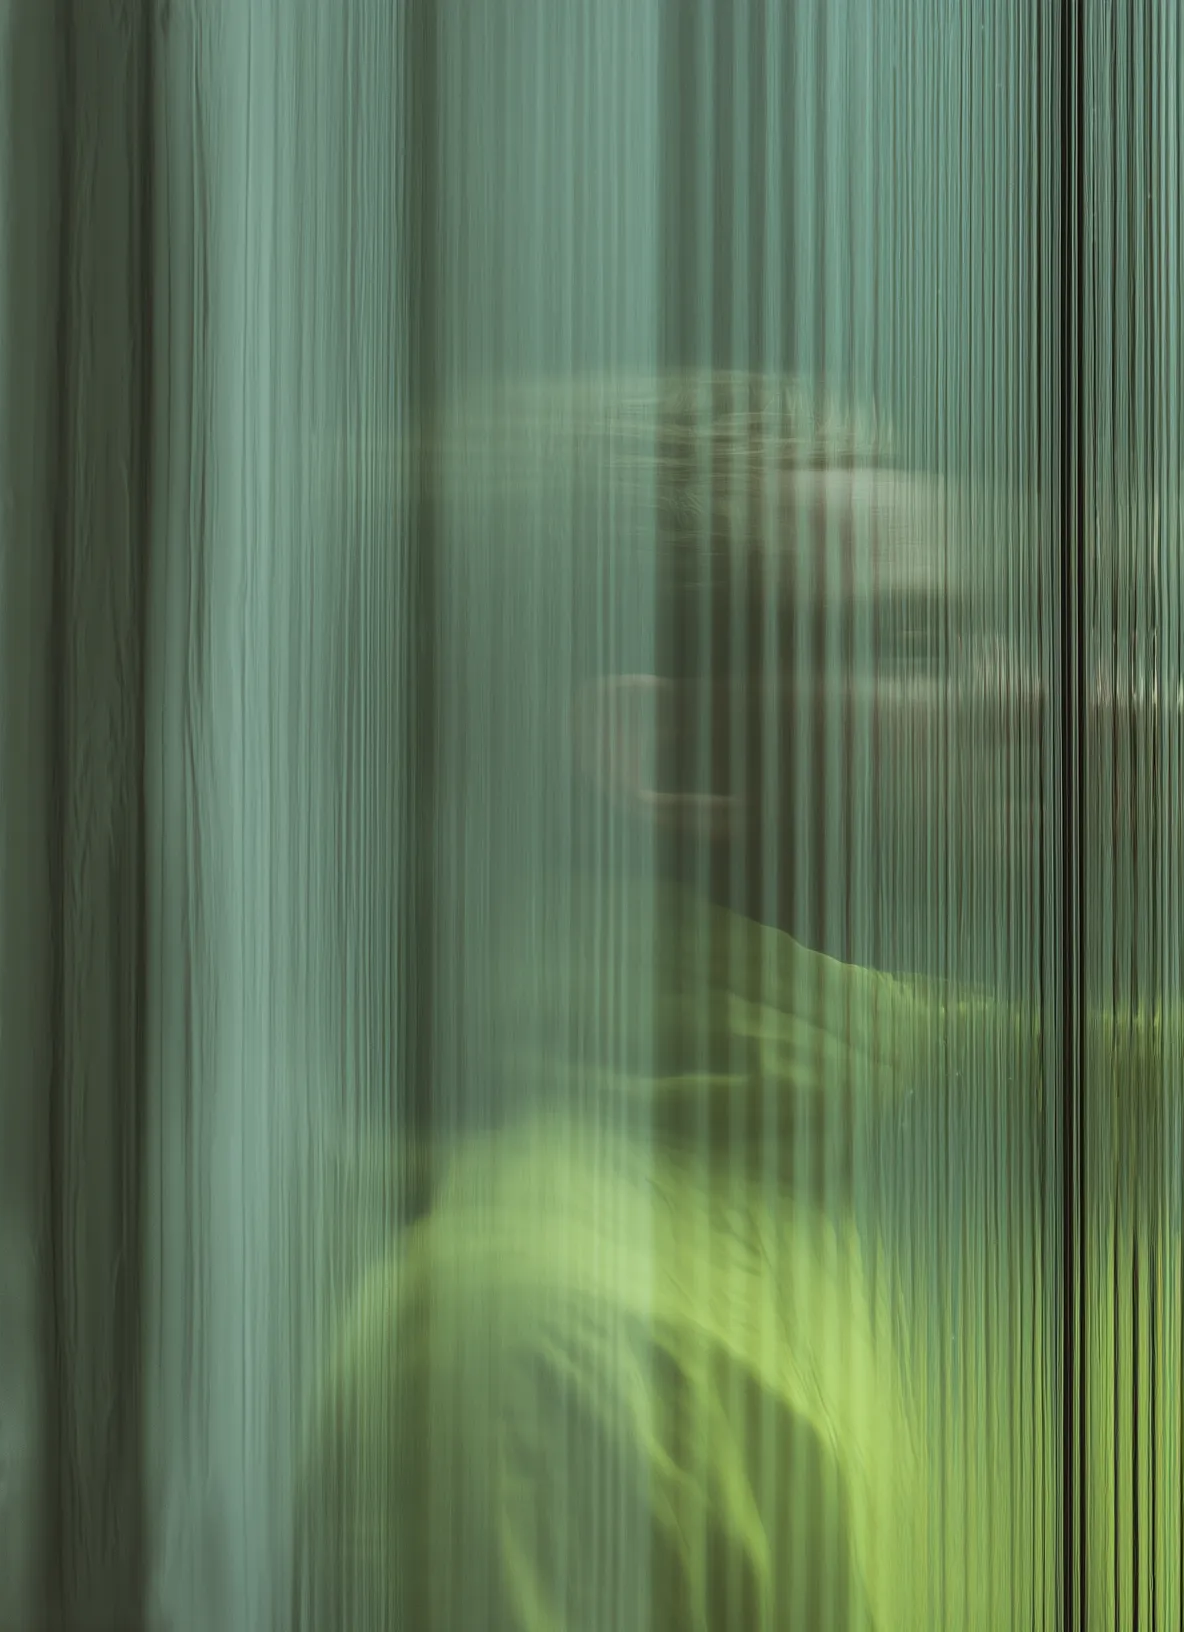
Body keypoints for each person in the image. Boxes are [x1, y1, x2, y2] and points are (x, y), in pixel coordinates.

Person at [296, 372, 1055, 1629]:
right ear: (669, 760)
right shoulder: (545, 1332)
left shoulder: (854, 1188)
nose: (1022, 697)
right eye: (912, 646)